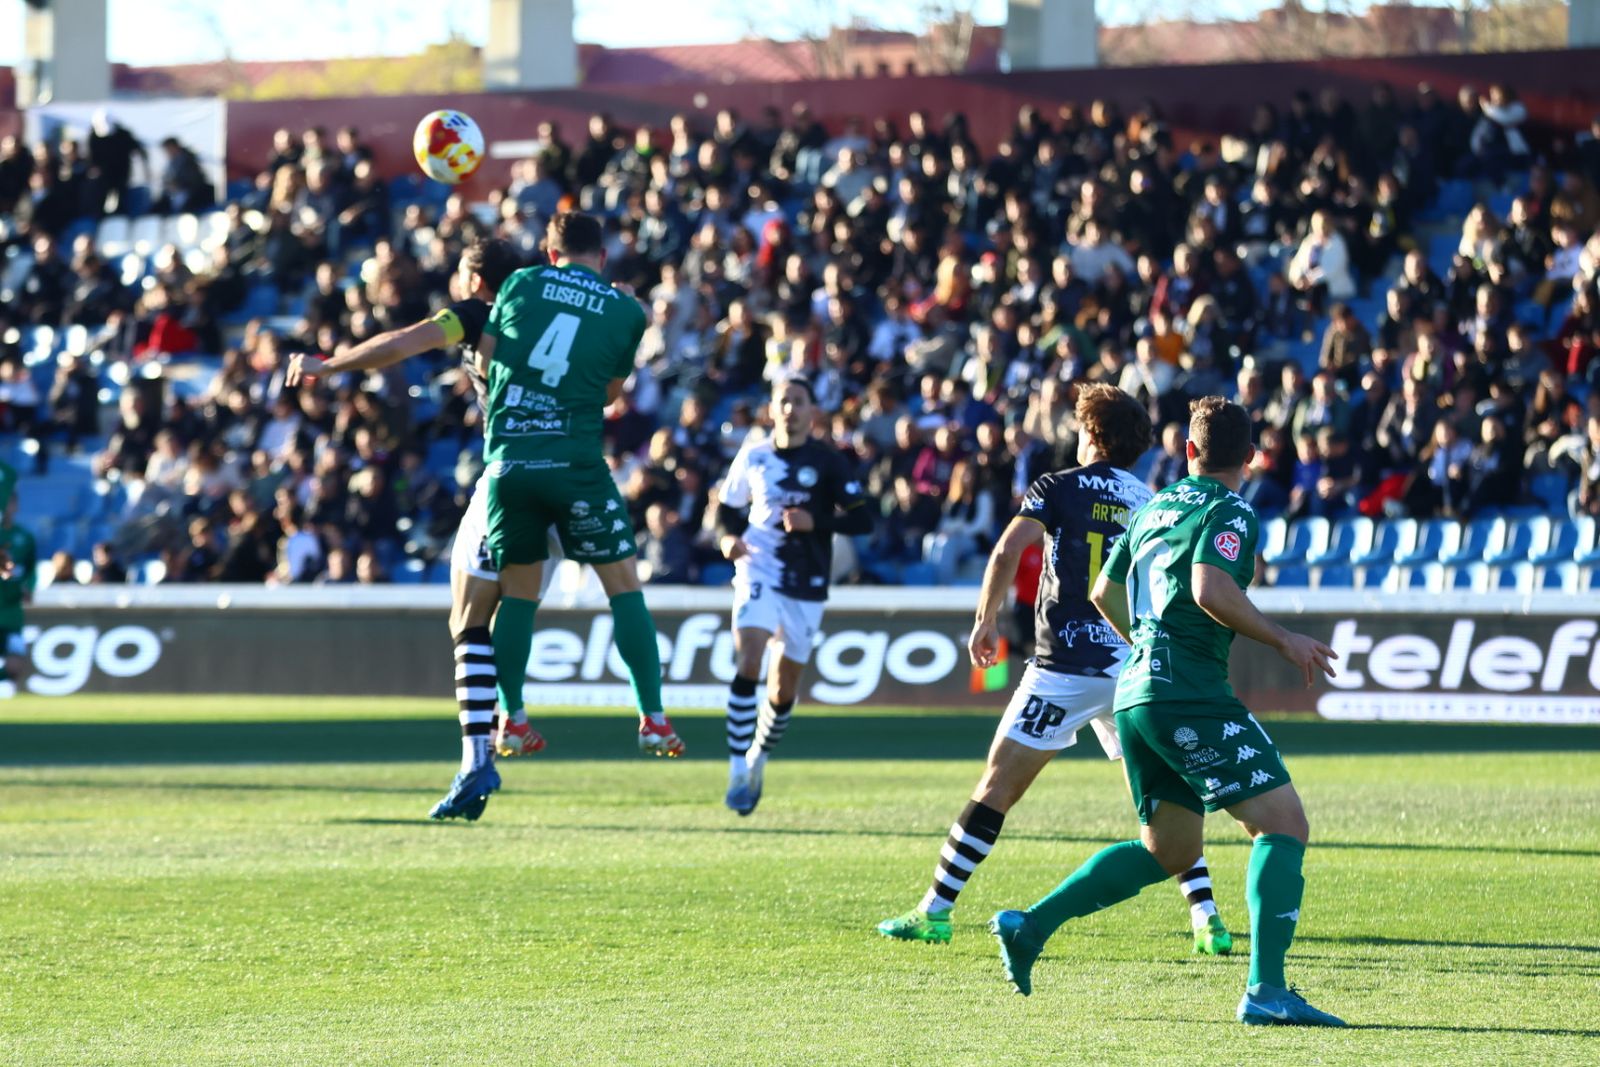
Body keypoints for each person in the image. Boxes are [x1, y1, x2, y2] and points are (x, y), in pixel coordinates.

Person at [988, 397, 1345, 1028]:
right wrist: (1284, 638)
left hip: (1135, 690)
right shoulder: (1230, 508)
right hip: (1188, 691)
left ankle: (1031, 925)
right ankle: (1267, 990)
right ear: (1252, 459)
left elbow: (1102, 589)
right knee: (1283, 825)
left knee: (1168, 848)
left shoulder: (1154, 506)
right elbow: (1211, 588)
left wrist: (1146, 643)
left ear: (1188, 452)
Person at [877, 384, 1233, 955]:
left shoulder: (1056, 487)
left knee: (996, 788)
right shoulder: (1149, 499)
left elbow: (1007, 550)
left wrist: (984, 620)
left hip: (1062, 669)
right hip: (1131, 666)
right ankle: (1207, 920)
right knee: (1164, 799)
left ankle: (935, 911)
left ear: (1089, 435)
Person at [288, 239, 557, 821]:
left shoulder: (475, 313)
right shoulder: (552, 317)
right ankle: (506, 723)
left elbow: (401, 343)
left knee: (467, 617)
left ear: (476, 278)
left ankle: (478, 755)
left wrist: (329, 364)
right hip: (572, 477)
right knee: (513, 604)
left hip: (511, 474)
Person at [475, 210, 686, 802]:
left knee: (519, 592)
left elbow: (491, 360)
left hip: (511, 464)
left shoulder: (519, 283)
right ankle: (653, 719)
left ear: (548, 250)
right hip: (575, 465)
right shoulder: (627, 311)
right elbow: (612, 394)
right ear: (604, 252)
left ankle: (511, 719)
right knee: (623, 587)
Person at [716, 376, 873, 815]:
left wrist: (817, 522)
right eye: (783, 401)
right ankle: (734, 771)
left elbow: (865, 521)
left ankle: (757, 759)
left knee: (783, 691)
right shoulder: (754, 455)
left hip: (806, 581)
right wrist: (728, 539)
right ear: (773, 408)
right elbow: (727, 509)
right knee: (749, 659)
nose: (790, 409)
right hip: (757, 567)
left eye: (798, 402)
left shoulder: (827, 461)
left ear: (811, 411)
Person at [0, 495, 37, 692]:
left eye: (11, 502)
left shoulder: (25, 536)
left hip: (12, 612)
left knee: (16, 665)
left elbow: (31, 569)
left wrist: (29, 587)